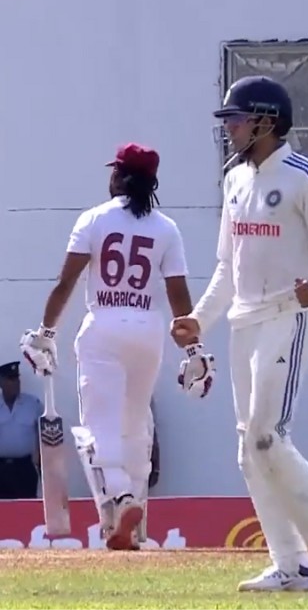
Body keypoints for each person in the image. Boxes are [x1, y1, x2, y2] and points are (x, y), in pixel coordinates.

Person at [170, 76, 308, 591]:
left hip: (288, 315)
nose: (228, 128)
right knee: (248, 449)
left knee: (268, 436)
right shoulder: (234, 179)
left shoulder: (307, 177)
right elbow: (227, 269)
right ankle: (289, 563)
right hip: (243, 321)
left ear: (266, 120)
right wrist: (198, 322)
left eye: (236, 119)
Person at [18, 144, 190, 549]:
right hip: (148, 330)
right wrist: (194, 349)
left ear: (120, 176)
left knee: (100, 424)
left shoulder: (94, 219)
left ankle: (122, 495)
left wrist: (45, 331)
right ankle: (132, 521)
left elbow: (66, 284)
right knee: (135, 424)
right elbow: (179, 293)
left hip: (104, 326)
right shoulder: (166, 228)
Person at [0, 361, 41, 500]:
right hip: (1, 468)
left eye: (17, 378)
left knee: (27, 509)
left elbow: (42, 435)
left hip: (24, 468)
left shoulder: (33, 404)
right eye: (11, 379)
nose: (16, 383)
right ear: (1, 383)